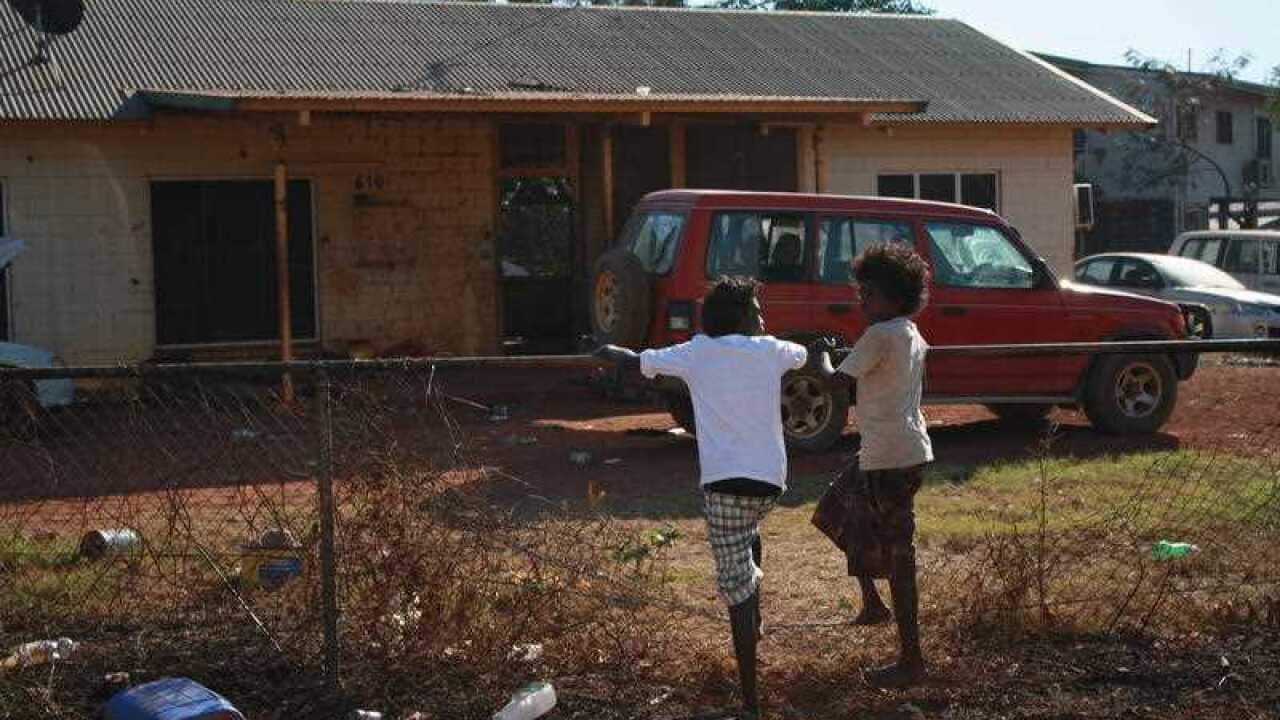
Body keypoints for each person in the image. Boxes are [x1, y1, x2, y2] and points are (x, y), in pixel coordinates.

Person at [596, 276, 807, 719]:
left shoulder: (696, 352)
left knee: (736, 589)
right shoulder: (770, 349)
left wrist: (609, 352)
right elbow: (803, 355)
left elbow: (640, 363)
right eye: (758, 311)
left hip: (724, 487)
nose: (764, 318)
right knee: (748, 532)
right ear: (745, 319)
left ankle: (750, 700)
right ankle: (759, 618)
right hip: (771, 484)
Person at [812, 242, 934, 688]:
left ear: (895, 296)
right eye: (861, 292)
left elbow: (833, 381)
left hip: (890, 458)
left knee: (900, 555)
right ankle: (873, 605)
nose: (862, 301)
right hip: (896, 451)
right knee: (835, 513)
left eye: (870, 294)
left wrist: (822, 353)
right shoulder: (909, 332)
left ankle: (912, 660)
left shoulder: (881, 334)